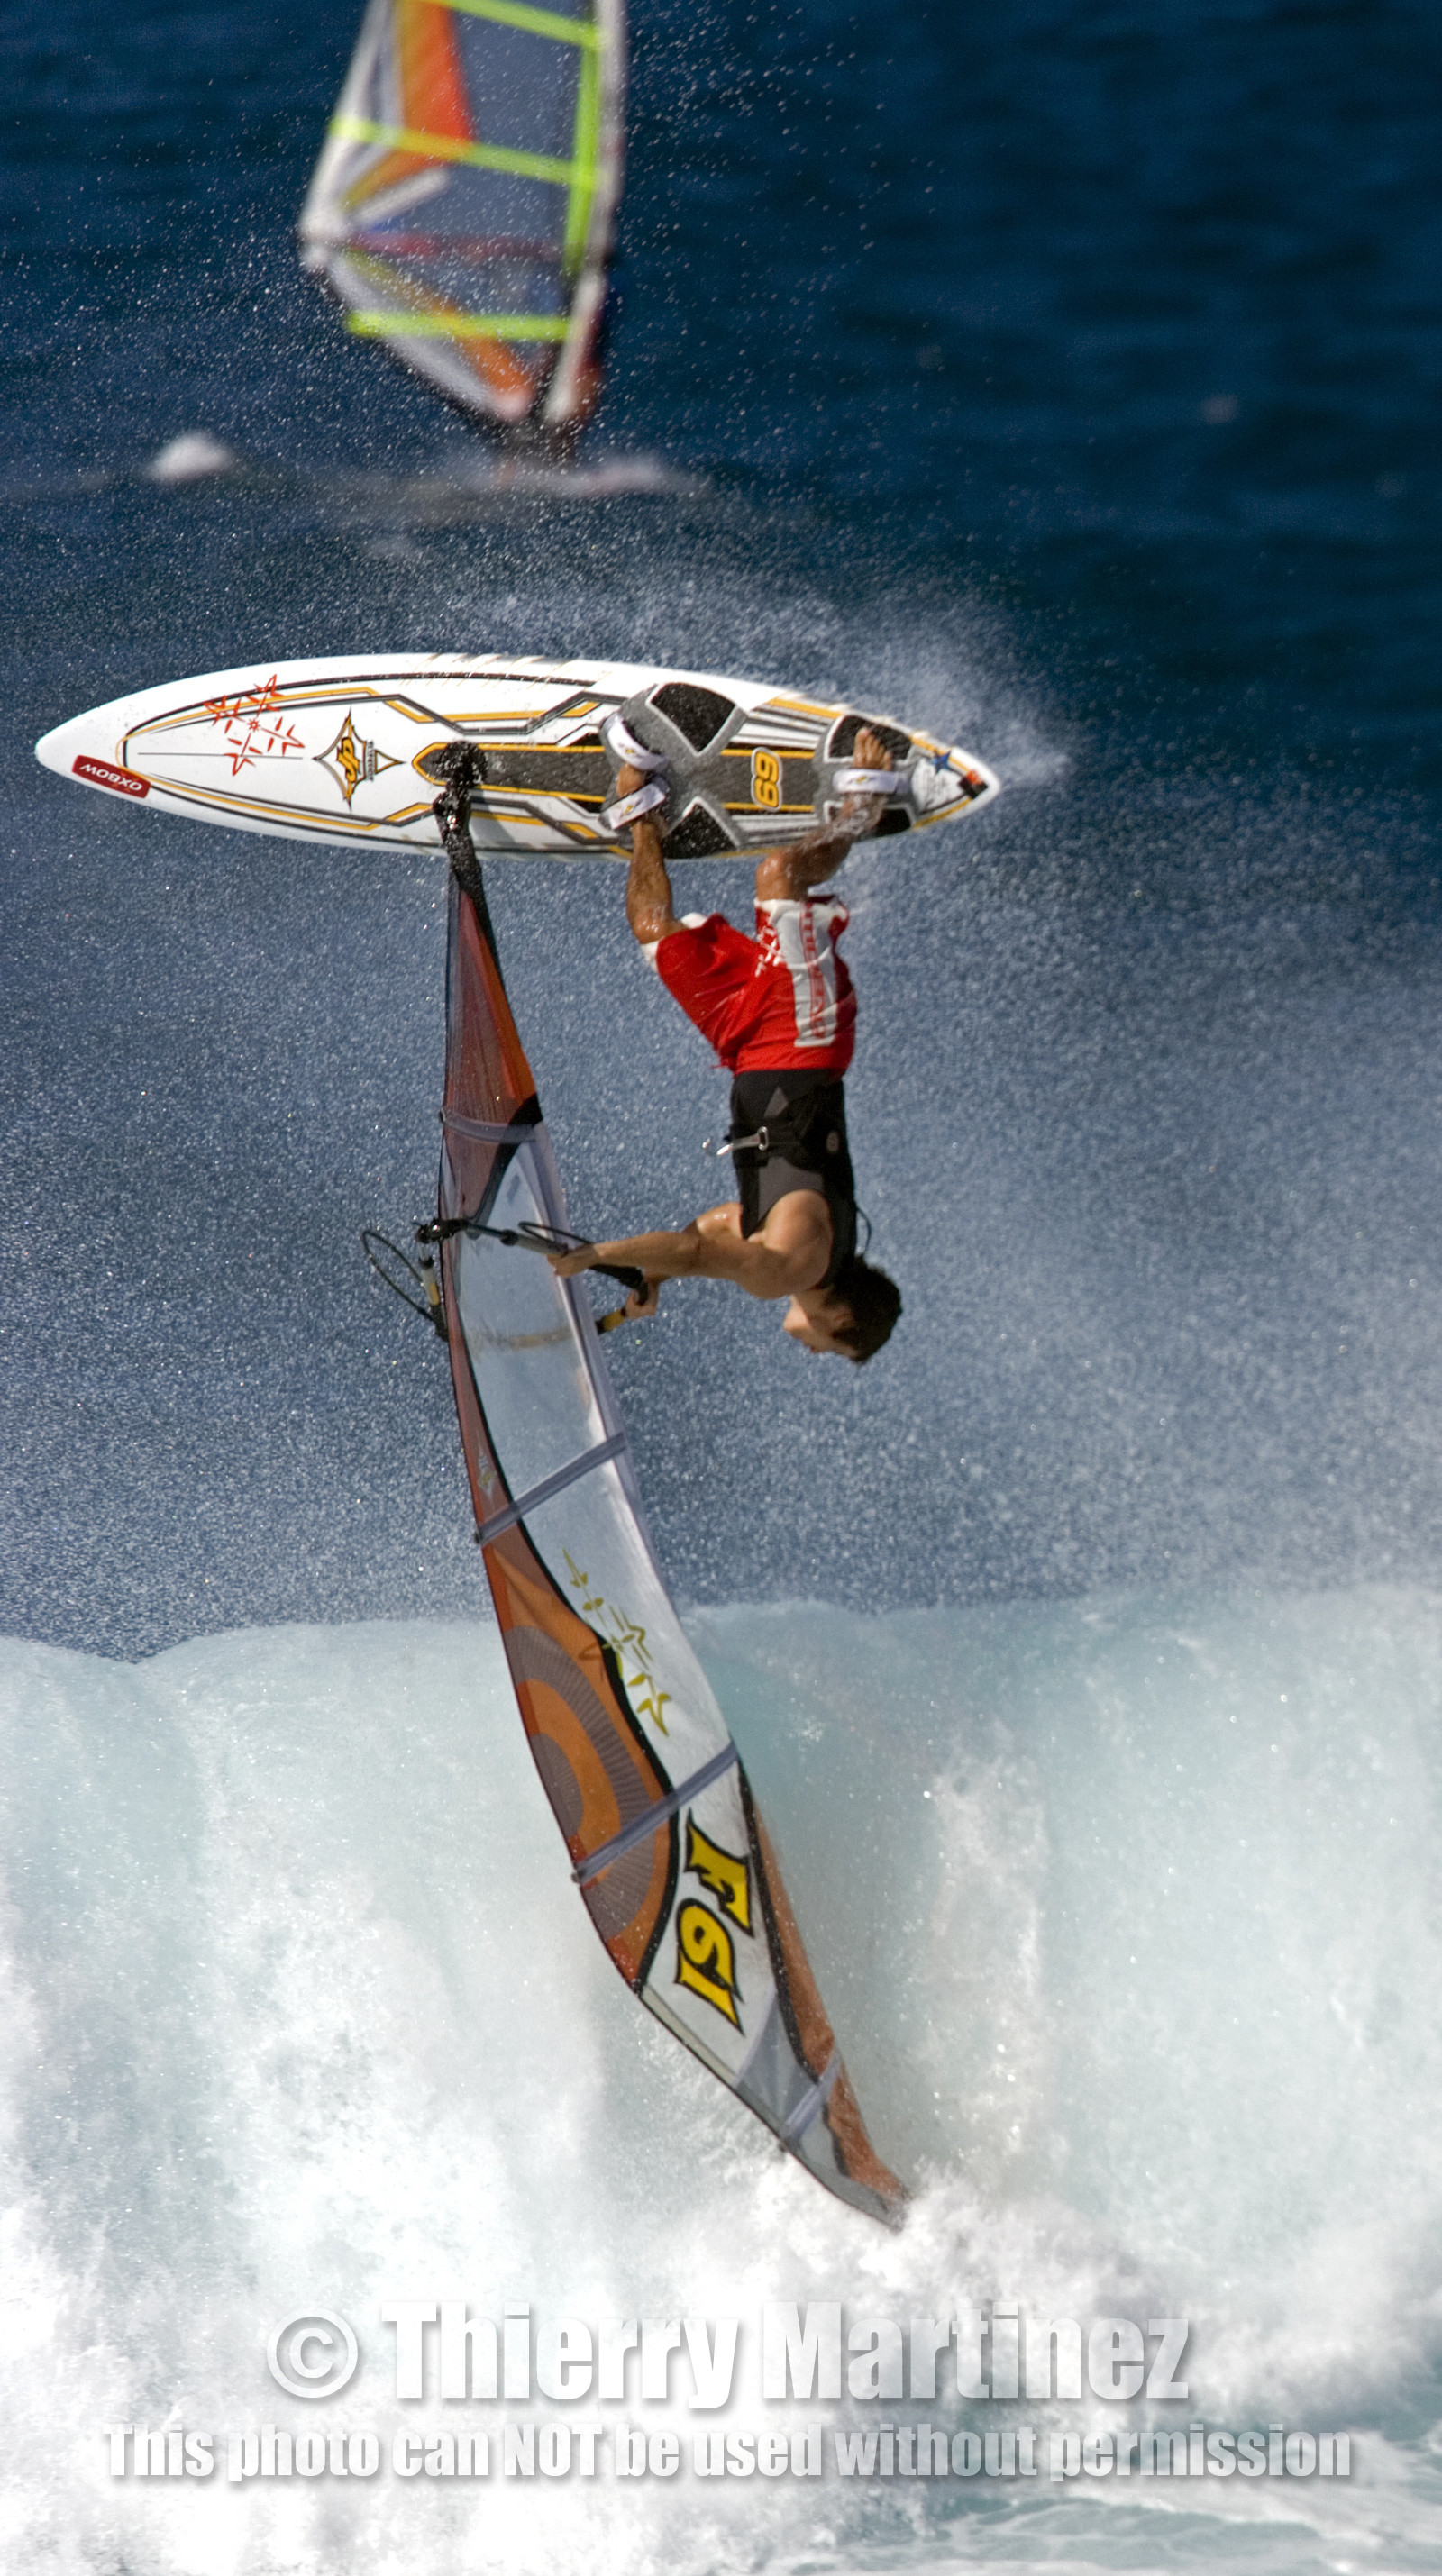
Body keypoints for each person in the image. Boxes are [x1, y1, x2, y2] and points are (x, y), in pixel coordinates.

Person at [547, 724, 903, 1362]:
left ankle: (644, 813)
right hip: (803, 1041)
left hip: (747, 1048)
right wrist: (599, 1255)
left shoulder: (794, 1254)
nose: (816, 1351)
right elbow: (698, 1250)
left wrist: (647, 1276)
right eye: (833, 1348)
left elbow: (707, 1231)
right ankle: (861, 812)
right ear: (843, 1318)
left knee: (653, 931)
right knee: (780, 872)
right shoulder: (789, 1269)